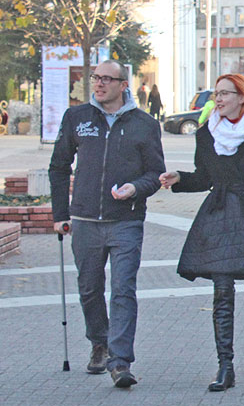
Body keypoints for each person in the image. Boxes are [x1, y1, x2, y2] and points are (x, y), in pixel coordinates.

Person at [159, 73, 244, 392]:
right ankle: (225, 366)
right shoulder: (206, 134)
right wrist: (180, 179)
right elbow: (205, 178)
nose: (218, 99)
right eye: (216, 94)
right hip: (219, 214)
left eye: (225, 94)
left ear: (242, 97)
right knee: (222, 290)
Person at [48, 59, 166, 388]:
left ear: (123, 85)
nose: (98, 84)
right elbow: (58, 167)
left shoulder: (144, 124)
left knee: (123, 289)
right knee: (89, 288)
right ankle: (99, 342)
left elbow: (155, 174)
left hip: (126, 220)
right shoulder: (77, 117)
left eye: (106, 79)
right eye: (95, 77)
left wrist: (135, 188)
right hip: (85, 219)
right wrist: (60, 215)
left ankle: (120, 361)